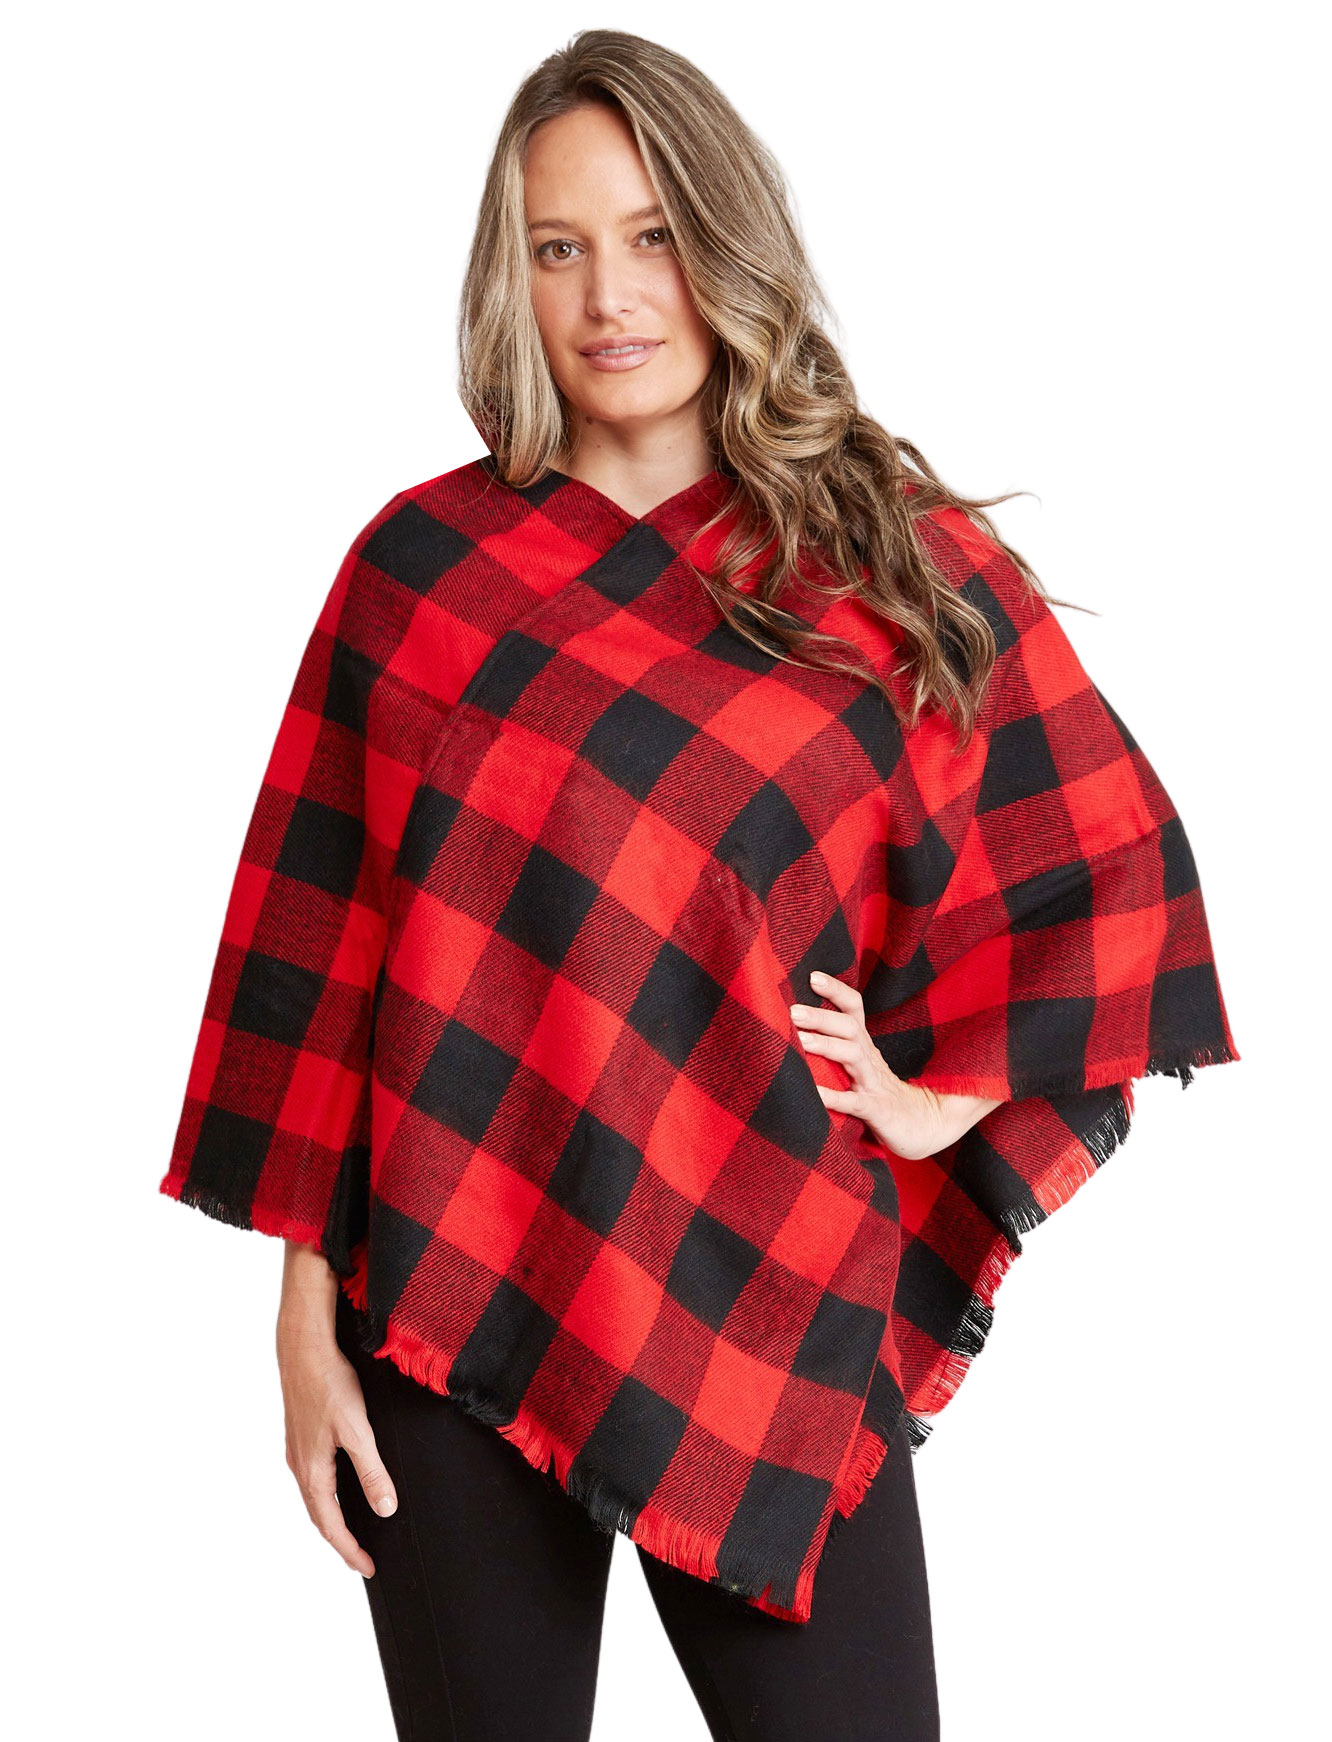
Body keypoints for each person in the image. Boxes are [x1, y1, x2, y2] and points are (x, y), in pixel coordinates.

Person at [159, 28, 1239, 1741]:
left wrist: (944, 1096)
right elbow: (330, 955)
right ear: (509, 275)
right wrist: (301, 1321)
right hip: (445, 1282)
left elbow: (1105, 865)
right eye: (558, 246)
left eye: (652, 236)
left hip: (770, 1294)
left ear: (724, 241)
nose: (608, 297)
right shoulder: (421, 572)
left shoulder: (882, 555)